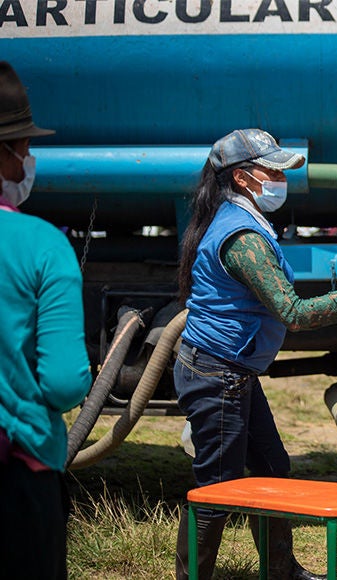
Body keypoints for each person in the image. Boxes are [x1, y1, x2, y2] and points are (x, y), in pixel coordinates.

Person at [174, 128, 337, 580]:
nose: (279, 178)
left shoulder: (244, 220)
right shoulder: (243, 238)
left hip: (232, 372)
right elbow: (292, 312)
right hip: (218, 374)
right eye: (270, 170)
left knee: (273, 468)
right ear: (241, 178)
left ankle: (281, 570)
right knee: (216, 489)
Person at [0, 61, 92, 578]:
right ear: (6, 154)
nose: (29, 158)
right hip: (18, 472)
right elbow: (62, 383)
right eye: (24, 144)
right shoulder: (41, 246)